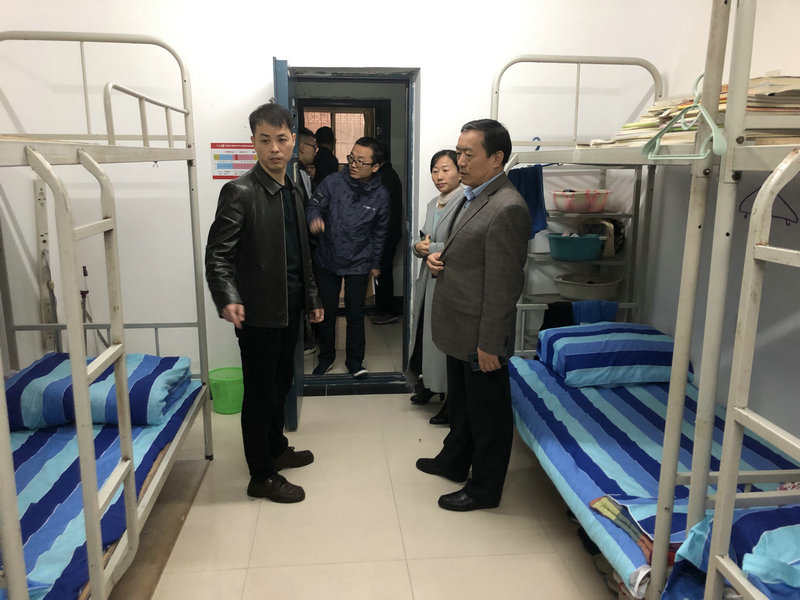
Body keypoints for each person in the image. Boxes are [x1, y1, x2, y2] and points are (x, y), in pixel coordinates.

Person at [205, 103, 324, 503]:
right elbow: (218, 256)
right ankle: (261, 475)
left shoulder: (292, 188)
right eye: (265, 140)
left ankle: (275, 448)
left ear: (292, 141)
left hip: (289, 308)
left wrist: (311, 297)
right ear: (253, 142)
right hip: (257, 312)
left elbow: (302, 253)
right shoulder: (239, 191)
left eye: (282, 139)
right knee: (260, 394)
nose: (275, 148)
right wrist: (228, 298)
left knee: (281, 384)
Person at [416, 119, 531, 512]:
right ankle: (454, 460)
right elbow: (467, 252)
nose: (460, 161)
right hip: (459, 326)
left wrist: (490, 344)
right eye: (458, 152)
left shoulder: (507, 207)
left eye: (468, 154)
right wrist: (438, 259)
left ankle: (484, 489)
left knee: (488, 416)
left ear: (496, 158)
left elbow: (504, 285)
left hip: (481, 335)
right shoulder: (472, 195)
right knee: (463, 406)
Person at [307, 136, 390, 378]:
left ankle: (355, 361)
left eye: (360, 161)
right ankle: (326, 357)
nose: (353, 164)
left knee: (355, 314)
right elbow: (313, 205)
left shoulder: (381, 195)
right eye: (351, 158)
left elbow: (380, 232)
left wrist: (375, 263)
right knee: (327, 312)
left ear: (375, 167)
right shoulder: (332, 182)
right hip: (328, 258)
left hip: (359, 262)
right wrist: (314, 219)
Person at [407, 150, 464, 425]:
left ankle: (451, 399)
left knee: (444, 339)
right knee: (425, 335)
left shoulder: (465, 202)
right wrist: (417, 247)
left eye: (445, 169)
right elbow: (423, 239)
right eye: (434, 170)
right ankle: (430, 384)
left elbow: (460, 245)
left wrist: (429, 248)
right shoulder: (433, 203)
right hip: (428, 279)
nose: (439, 176)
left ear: (459, 172)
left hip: (449, 279)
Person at [369, 154, 404, 325]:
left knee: (382, 271)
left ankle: (386, 311)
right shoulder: (389, 173)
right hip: (391, 231)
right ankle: (384, 309)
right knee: (383, 270)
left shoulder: (384, 178)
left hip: (387, 233)